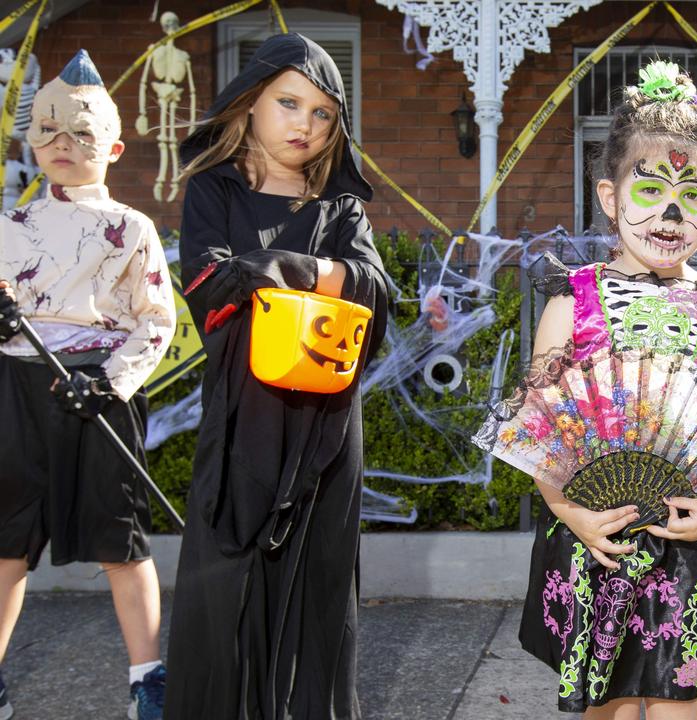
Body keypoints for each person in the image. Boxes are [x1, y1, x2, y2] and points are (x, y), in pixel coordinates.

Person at [504, 60, 697, 718]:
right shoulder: (573, 303)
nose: (672, 213)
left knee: (680, 702)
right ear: (609, 195)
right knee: (607, 705)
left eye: (695, 191)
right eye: (650, 190)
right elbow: (540, 433)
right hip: (596, 534)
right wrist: (570, 512)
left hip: (696, 538)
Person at [163, 33, 388, 719]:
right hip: (245, 417)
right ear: (250, 103)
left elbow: (375, 295)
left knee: (321, 590)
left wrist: (286, 272)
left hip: (326, 425)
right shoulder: (214, 189)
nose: (306, 125)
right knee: (226, 583)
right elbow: (209, 282)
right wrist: (323, 277)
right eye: (290, 104)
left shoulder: (342, 210)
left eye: (323, 113)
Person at [0, 50, 176, 720]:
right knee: (5, 543)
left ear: (113, 145)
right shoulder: (6, 228)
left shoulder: (133, 229)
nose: (61, 146)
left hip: (99, 396)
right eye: (46, 132)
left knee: (122, 540)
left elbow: (156, 322)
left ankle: (147, 678)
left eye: (79, 134)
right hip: (18, 389)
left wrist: (109, 381)